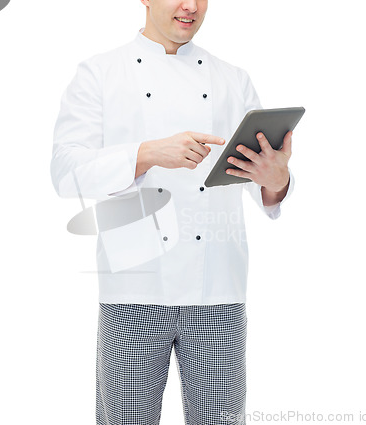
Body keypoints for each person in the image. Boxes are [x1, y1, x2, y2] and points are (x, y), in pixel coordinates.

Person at [51, 1, 295, 424]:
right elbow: (66, 175)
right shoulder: (99, 73)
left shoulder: (233, 80)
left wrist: (276, 179)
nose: (191, 6)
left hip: (217, 292)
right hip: (131, 293)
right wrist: (146, 153)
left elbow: (265, 194)